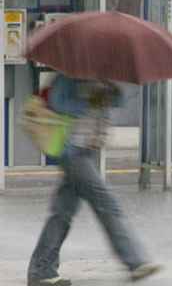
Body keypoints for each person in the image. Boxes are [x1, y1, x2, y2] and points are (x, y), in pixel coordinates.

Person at [27, 76, 161, 286]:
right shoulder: (68, 76)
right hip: (72, 152)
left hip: (87, 152)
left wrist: (110, 90)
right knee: (107, 205)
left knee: (62, 214)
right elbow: (57, 103)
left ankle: (41, 271)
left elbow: (118, 102)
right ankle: (135, 261)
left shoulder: (100, 77)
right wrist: (88, 102)